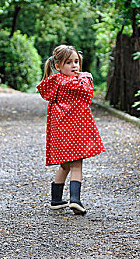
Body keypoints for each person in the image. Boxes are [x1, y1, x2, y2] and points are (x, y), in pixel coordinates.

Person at [36, 45, 105, 215]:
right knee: (77, 165)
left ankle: (56, 200)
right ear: (58, 66)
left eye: (76, 62)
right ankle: (75, 200)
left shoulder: (54, 83)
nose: (75, 66)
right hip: (76, 132)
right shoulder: (79, 83)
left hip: (60, 133)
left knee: (65, 165)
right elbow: (88, 91)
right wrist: (86, 75)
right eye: (69, 62)